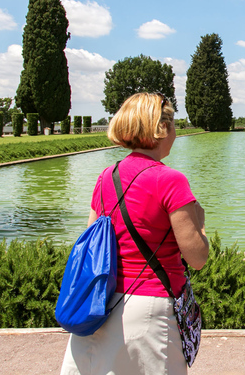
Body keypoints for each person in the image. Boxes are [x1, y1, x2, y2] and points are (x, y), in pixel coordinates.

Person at [61, 92, 209, 375]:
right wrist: (200, 223)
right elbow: (197, 257)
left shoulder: (106, 176)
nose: (176, 132)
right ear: (162, 128)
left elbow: (92, 242)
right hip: (150, 311)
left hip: (98, 303)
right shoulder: (170, 180)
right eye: (174, 124)